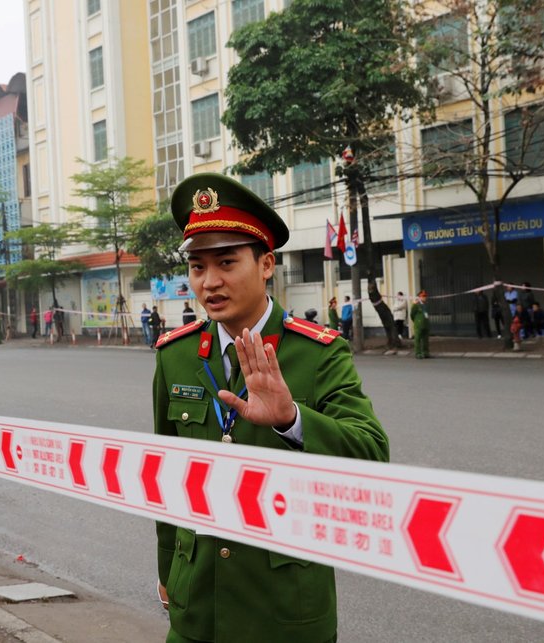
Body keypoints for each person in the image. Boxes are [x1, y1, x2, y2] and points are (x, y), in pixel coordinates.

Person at [153, 172, 388, 642]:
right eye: (198, 267)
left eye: (226, 262)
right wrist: (168, 575)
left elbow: (372, 456)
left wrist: (292, 420)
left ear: (266, 264)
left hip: (283, 610)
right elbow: (168, 478)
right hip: (196, 605)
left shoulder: (319, 353)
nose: (210, 282)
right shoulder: (175, 355)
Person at [410, 290, 431, 359]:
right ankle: (418, 353)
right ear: (419, 297)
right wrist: (417, 321)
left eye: (425, 296)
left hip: (425, 324)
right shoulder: (416, 305)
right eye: (423, 296)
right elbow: (412, 314)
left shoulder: (425, 305)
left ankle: (425, 352)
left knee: (425, 339)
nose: (425, 298)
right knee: (418, 339)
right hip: (418, 325)